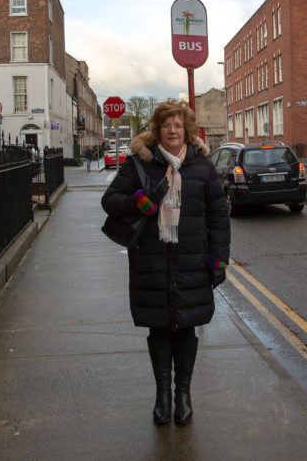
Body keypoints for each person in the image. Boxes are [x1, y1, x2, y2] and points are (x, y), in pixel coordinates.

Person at [101, 99, 230, 425]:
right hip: (151, 260)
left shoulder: (202, 167)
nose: (173, 130)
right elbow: (110, 201)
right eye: (166, 124)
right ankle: (162, 395)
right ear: (157, 130)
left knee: (186, 328)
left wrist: (219, 259)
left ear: (186, 130)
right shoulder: (138, 165)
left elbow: (219, 216)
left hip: (192, 261)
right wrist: (143, 202)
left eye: (178, 124)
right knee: (159, 329)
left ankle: (183, 394)